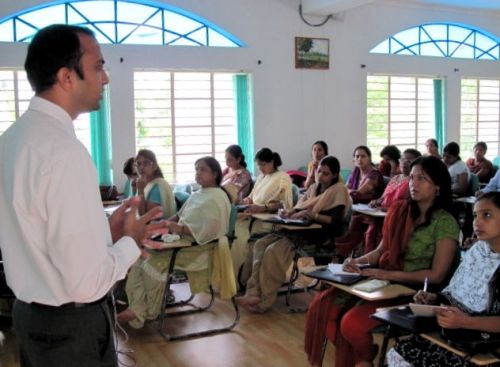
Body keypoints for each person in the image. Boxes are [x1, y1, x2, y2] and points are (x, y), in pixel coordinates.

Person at [0, 24, 166, 367]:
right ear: (66, 77)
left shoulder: (13, 140)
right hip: (69, 330)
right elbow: (85, 284)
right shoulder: (63, 152)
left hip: (33, 318)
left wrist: (105, 236)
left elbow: (41, 237)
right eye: (98, 66)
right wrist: (130, 242)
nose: (104, 78)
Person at [305, 156, 460, 367]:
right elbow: (380, 251)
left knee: (351, 324)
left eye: (421, 178)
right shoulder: (401, 211)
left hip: (413, 293)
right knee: (323, 309)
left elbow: (437, 275)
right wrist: (356, 262)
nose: (413, 183)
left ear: (438, 186)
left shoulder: (445, 223)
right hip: (384, 282)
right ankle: (364, 358)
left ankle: (363, 359)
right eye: (412, 178)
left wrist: (387, 275)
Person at [386, 191, 500, 367]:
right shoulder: (478, 251)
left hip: (485, 345)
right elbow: (456, 293)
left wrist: (466, 321)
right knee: (399, 353)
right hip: (458, 334)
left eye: (487, 215)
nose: (477, 222)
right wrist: (434, 299)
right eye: (475, 215)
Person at [117, 157, 232, 328]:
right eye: (196, 169)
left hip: (199, 249)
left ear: (215, 174)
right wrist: (161, 225)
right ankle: (136, 308)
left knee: (151, 262)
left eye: (203, 169)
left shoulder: (217, 197)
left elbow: (208, 231)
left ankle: (144, 311)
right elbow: (179, 216)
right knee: (139, 257)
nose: (198, 173)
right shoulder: (199, 194)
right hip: (180, 243)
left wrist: (177, 228)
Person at [236, 156, 351, 313]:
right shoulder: (313, 188)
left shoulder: (338, 189)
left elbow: (335, 221)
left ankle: (264, 300)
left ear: (335, 175)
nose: (321, 176)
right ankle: (253, 292)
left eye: (326, 173)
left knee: (272, 252)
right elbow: (298, 208)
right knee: (260, 245)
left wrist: (312, 215)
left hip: (317, 235)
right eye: (319, 171)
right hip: (297, 230)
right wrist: (287, 214)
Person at [335, 149, 421, 258]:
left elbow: (407, 203)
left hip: (396, 215)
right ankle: (344, 251)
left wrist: (388, 208)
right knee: (357, 218)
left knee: (371, 227)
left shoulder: (413, 182)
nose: (404, 163)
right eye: (403, 159)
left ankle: (365, 257)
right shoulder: (395, 178)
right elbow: (383, 197)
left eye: (409, 161)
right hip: (380, 212)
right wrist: (376, 202)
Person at [231, 148, 293, 280]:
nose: (261, 168)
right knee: (233, 230)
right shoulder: (261, 177)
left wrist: (263, 207)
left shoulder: (283, 178)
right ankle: (235, 276)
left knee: (240, 236)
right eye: (259, 165)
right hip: (253, 216)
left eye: (263, 165)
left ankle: (240, 277)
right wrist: (243, 201)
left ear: (272, 162)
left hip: (269, 220)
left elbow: (285, 205)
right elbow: (252, 197)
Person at [134, 149, 176, 219]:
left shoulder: (157, 187)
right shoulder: (146, 184)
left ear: (155, 166)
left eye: (146, 163)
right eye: (138, 164)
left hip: (157, 228)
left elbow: (147, 220)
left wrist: (140, 191)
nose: (141, 167)